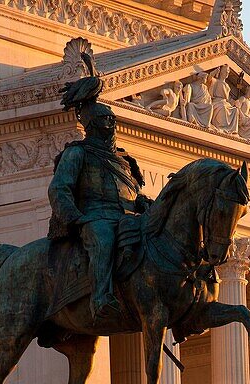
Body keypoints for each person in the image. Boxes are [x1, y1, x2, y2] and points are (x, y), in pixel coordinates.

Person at [49, 55, 152, 320]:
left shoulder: (124, 159)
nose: (111, 124)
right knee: (104, 239)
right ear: (92, 126)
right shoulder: (78, 154)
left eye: (112, 120)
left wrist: (141, 202)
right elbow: (59, 189)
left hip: (125, 217)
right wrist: (75, 218)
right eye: (105, 121)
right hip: (95, 217)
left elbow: (130, 191)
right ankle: (101, 296)